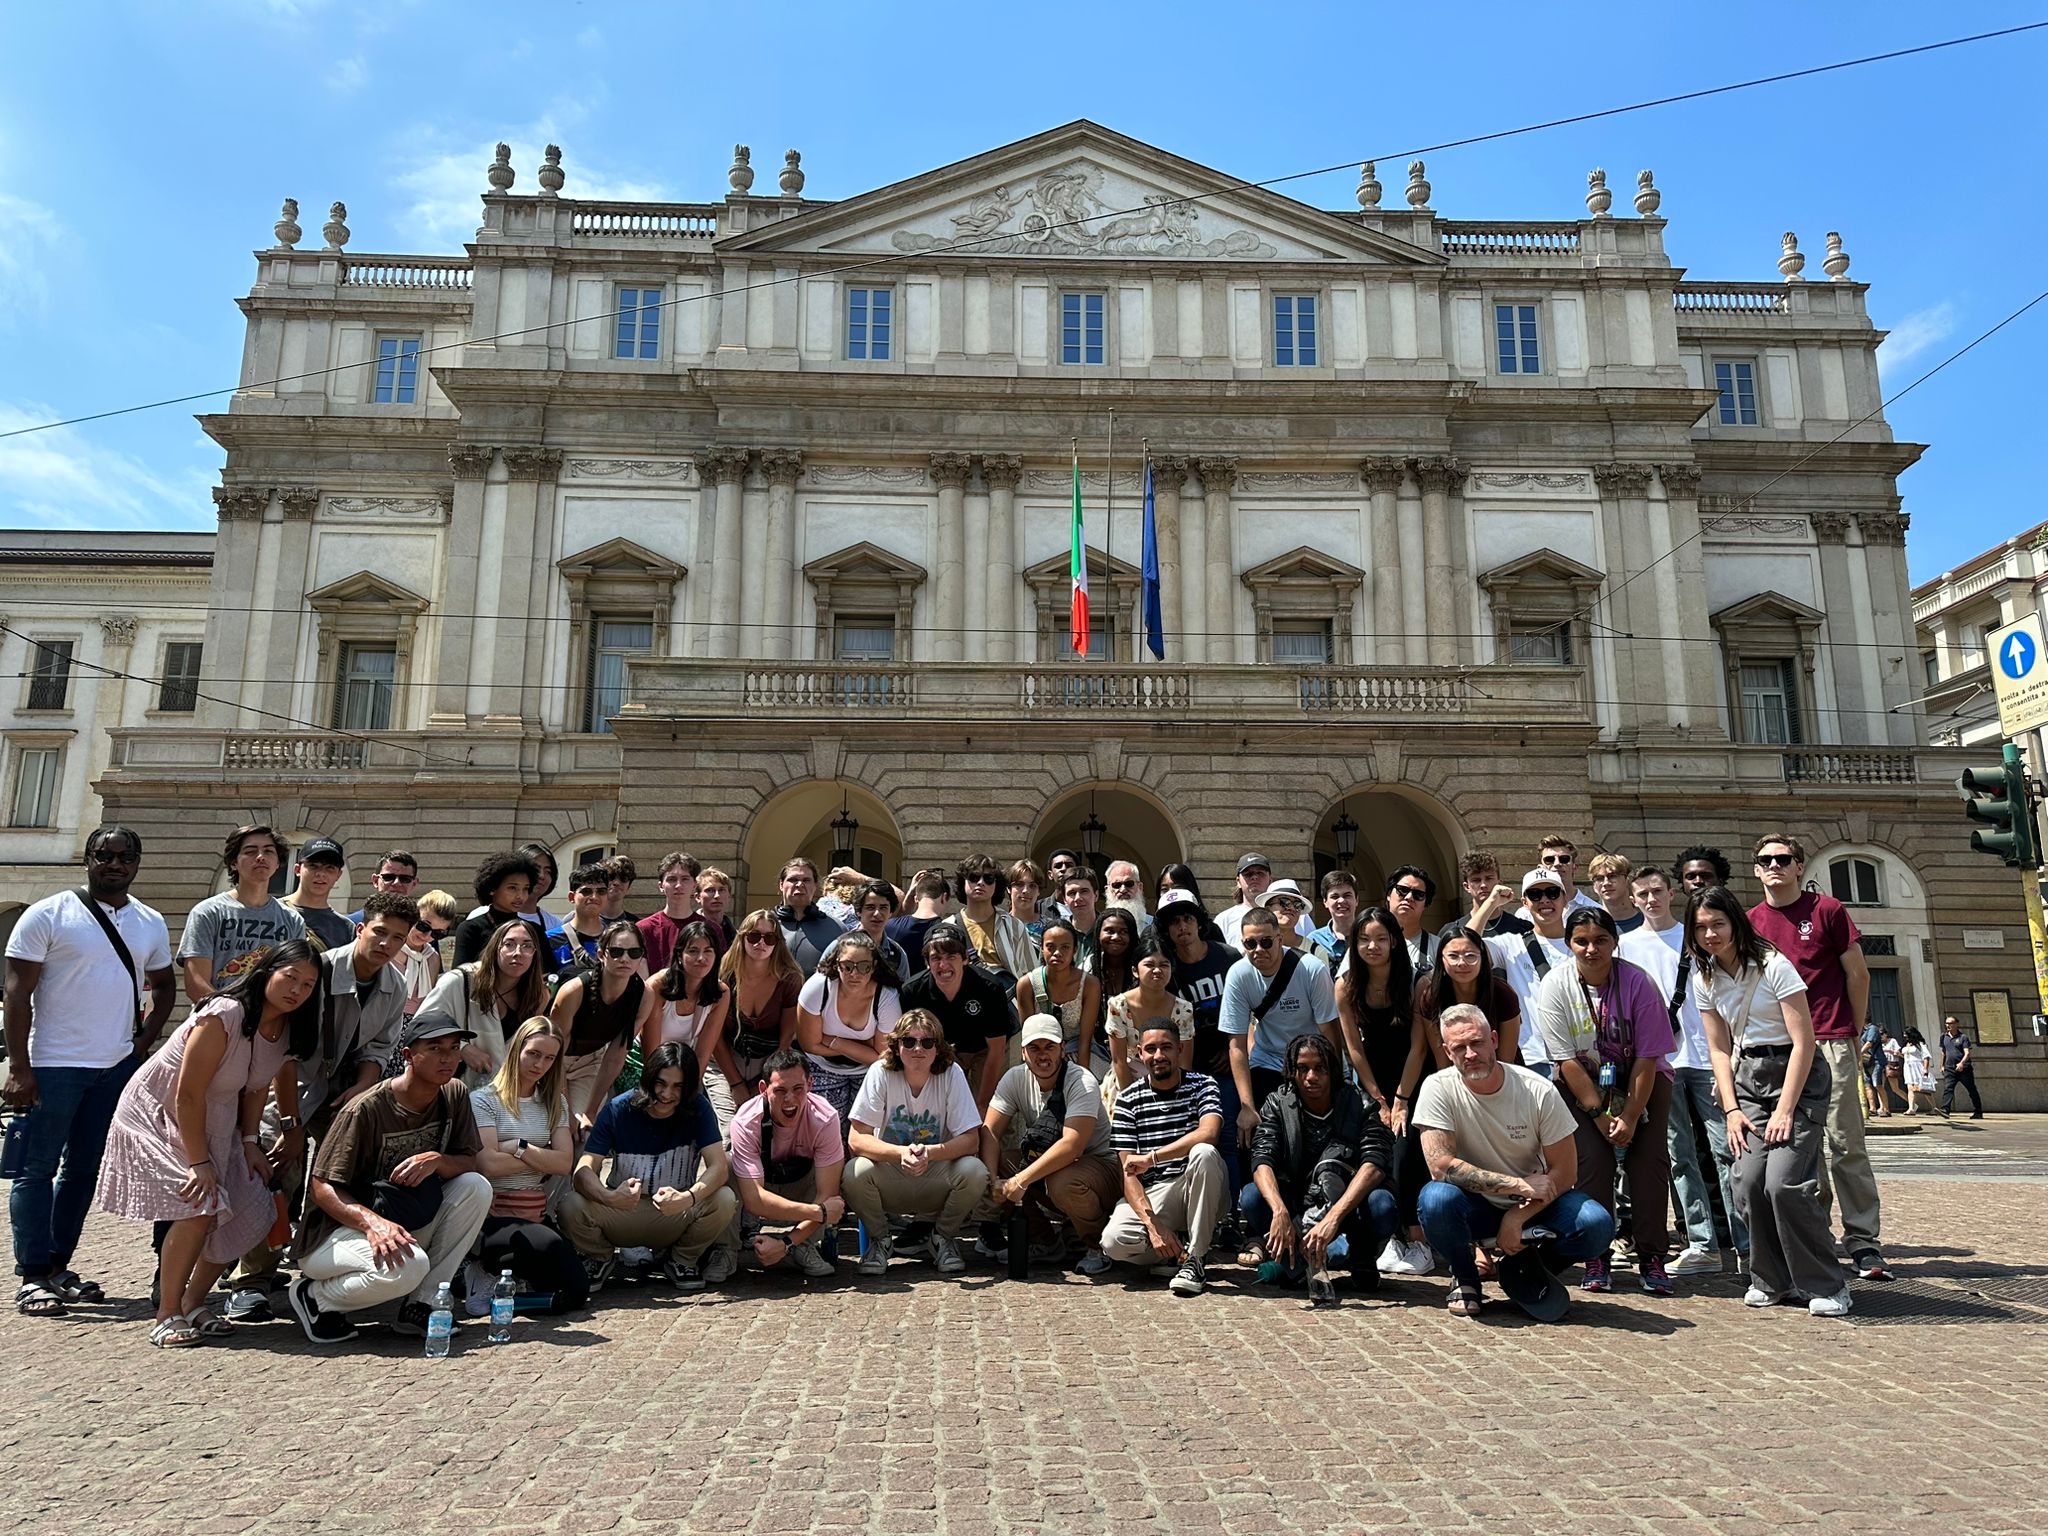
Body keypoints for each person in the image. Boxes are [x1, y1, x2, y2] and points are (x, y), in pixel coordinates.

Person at [95, 942, 321, 1345]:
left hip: (218, 1117)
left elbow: (255, 1089)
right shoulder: (225, 1012)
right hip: (161, 1113)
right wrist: (199, 1163)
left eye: (308, 984)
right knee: (199, 1204)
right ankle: (166, 1315)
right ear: (267, 971)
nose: (297, 990)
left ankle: (193, 1305)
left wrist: (251, 1142)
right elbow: (187, 1094)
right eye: (290, 977)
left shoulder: (285, 1026)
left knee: (251, 1207)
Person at [4, 827, 176, 1318]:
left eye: (125, 856)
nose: (115, 864)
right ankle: (33, 1276)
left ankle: (58, 1266)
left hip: (113, 1068)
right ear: (88, 858)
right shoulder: (48, 914)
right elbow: (16, 994)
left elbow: (164, 985)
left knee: (81, 1172)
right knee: (35, 1171)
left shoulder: (149, 921)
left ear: (138, 862)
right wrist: (20, 1067)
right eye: (105, 855)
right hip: (53, 1065)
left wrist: (143, 1043)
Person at [222, 894, 417, 1319]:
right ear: (360, 928)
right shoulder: (319, 971)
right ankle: (251, 1281)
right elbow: (283, 1055)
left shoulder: (395, 984)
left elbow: (381, 1050)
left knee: (337, 1181)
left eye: (397, 938)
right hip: (288, 1087)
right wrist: (291, 1127)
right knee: (275, 1176)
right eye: (379, 931)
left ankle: (315, 1269)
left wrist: (363, 1088)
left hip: (344, 1095)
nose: (386, 944)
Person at [285, 1006, 494, 1344]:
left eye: (454, 1048)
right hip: (333, 1236)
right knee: (409, 1267)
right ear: (409, 1055)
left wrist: (439, 1161)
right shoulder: (365, 1109)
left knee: (475, 1187)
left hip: (402, 1219)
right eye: (435, 1048)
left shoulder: (454, 1093)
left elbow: (471, 1162)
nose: (448, 1057)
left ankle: (421, 1305)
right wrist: (372, 1224)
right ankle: (315, 1298)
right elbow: (322, 1187)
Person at [1690, 887, 1848, 1316]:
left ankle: (1828, 1284)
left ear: (1735, 923)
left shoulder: (1773, 965)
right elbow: (1718, 1049)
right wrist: (1731, 1109)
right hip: (1747, 1082)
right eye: (1701, 927)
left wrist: (1785, 1110)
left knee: (1785, 1185)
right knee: (1747, 1181)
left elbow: (1804, 1042)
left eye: (1717, 924)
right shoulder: (1704, 976)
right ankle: (1771, 1279)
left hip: (1796, 1078)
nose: (1710, 934)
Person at [1747, 834, 1891, 1281]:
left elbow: (1859, 974)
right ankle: (1816, 1237)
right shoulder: (1749, 922)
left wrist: (1852, 1032)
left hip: (1829, 1038)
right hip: (1780, 1048)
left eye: (1782, 859)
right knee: (1798, 1150)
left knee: (1845, 1143)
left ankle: (1863, 1241)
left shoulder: (1827, 910)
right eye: (1766, 860)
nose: (1774, 866)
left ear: (1798, 866)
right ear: (1756, 869)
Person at [1415, 1007, 1613, 1318]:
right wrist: (1517, 1186)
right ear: (1446, 1051)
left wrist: (1517, 1216)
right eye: (1459, 1047)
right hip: (1478, 1203)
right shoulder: (1437, 1088)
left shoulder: (1538, 1089)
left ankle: (1527, 1268)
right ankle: (1465, 1276)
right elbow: (1441, 1167)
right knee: (1435, 1200)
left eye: (1477, 1043)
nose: (1470, 1054)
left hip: (1536, 1203)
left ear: (1494, 1040)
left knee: (1597, 1225)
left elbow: (1565, 1172)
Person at [1536, 907, 1678, 1295]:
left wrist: (1630, 1116)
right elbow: (1565, 1059)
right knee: (1591, 1164)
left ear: (1615, 942)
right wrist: (1598, 1114)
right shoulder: (1555, 985)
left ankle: (1652, 1255)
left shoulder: (1639, 983)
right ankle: (1596, 1253)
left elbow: (1649, 1056)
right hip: (1580, 1082)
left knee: (1648, 1164)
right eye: (1581, 941)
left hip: (1641, 1079)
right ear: (1569, 944)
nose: (1591, 949)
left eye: (1600, 940)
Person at [1620, 863, 1741, 1277]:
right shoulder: (1625, 945)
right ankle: (1702, 1242)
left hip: (1708, 1059)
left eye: (1657, 891)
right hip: (1661, 1063)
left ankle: (1745, 1242)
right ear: (1633, 900)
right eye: (1643, 894)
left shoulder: (1695, 939)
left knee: (1728, 1152)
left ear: (1671, 894)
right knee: (1679, 1157)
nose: (1651, 900)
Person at [559, 1041, 737, 1291]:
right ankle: (600, 1257)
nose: (666, 1094)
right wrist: (610, 1197)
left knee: (725, 1198)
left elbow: (718, 1167)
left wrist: (688, 1197)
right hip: (621, 1212)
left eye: (678, 1087)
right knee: (570, 1205)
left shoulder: (698, 1108)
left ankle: (682, 1260)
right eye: (660, 1083)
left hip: (675, 1211)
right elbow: (584, 1169)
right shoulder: (618, 1108)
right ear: (648, 1078)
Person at [1245, 1033, 1400, 1298]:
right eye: (1302, 1069)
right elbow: (1262, 1158)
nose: (1311, 1077)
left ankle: (1361, 1256)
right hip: (1298, 1199)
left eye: (1320, 1068)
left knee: (1383, 1204)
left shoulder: (1360, 1104)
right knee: (1252, 1197)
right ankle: (1294, 1255)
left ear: (1333, 1071)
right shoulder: (1277, 1104)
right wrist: (1279, 1210)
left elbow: (1375, 1164)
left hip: (1348, 1203)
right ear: (1291, 1072)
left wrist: (1333, 1218)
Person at [845, 1010, 991, 1275]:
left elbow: (972, 1140)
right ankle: (880, 1240)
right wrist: (900, 1153)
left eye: (927, 1042)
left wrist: (930, 1153)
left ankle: (942, 1237)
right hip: (890, 1173)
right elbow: (856, 1138)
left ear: (938, 1048)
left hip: (935, 1173)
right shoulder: (880, 1071)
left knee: (975, 1170)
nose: (918, 1049)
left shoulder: (951, 1073)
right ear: (897, 1046)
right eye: (909, 1042)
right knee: (855, 1171)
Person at [464, 1017, 588, 1314]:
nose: (539, 1064)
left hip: (533, 1211)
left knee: (576, 1292)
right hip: (492, 1215)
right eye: (533, 1054)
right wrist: (540, 1156)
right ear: (517, 1049)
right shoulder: (483, 1100)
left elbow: (563, 1163)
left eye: (549, 1058)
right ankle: (479, 1270)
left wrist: (518, 1147)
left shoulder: (554, 1102)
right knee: (545, 1245)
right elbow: (489, 1165)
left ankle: (503, 1299)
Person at [1332, 908, 1432, 1276]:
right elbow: (1353, 1048)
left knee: (1405, 1152)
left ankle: (1419, 1241)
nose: (1372, 946)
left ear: (1394, 941)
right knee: (1379, 1154)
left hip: (1416, 1077)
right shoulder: (1345, 985)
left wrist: (1402, 1100)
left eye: (1380, 938)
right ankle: (1392, 1236)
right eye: (1363, 939)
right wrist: (1378, 1100)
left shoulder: (1416, 982)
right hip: (1373, 1082)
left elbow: (1419, 1048)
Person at [981, 1015, 1121, 1275]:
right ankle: (1045, 1242)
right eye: (1034, 1048)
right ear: (1023, 1052)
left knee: (1062, 1180)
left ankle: (1096, 1244)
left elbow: (1072, 1145)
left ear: (1062, 1049)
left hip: (1102, 1168)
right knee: (999, 1164)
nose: (1042, 1056)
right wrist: (992, 1180)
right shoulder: (1014, 1079)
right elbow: (990, 1131)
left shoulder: (1082, 1081)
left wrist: (1020, 1180)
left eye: (1049, 1047)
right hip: (1053, 1164)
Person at [1100, 1021, 1226, 1295]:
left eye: (1166, 1047)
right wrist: (1154, 1227)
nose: (1159, 1056)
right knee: (1114, 1243)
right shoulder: (1128, 1099)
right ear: (1140, 1054)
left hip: (1199, 1184)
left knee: (1204, 1153)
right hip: (1157, 1191)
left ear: (1180, 1049)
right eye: (1151, 1049)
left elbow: (1209, 1132)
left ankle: (1196, 1258)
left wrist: (1152, 1158)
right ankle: (1175, 1250)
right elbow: (1128, 1173)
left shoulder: (1203, 1084)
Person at [1218, 904, 1342, 1145]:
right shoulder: (1238, 974)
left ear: (1279, 938)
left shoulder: (1312, 969)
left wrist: (1335, 1081)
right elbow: (1236, 1045)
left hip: (1311, 1061)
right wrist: (1247, 1105)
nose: (1258, 950)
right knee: (1254, 1128)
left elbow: (1330, 1031)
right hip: (1269, 1060)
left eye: (1265, 942)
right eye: (1250, 944)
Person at [727, 1048, 846, 1278]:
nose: (790, 1100)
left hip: (801, 1186)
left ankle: (803, 1245)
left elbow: (827, 1195)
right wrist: (818, 1213)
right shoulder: (745, 1121)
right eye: (780, 1091)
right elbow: (754, 1199)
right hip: (760, 1188)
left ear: (810, 1084)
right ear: (763, 1090)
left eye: (798, 1089)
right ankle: (726, 1249)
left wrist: (786, 1243)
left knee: (833, 1181)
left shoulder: (826, 1118)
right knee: (726, 1164)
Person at [176, 824, 307, 1003]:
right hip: (214, 1019)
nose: (260, 857)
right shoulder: (207, 912)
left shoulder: (292, 920)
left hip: (267, 1023)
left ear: (278, 863)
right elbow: (196, 984)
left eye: (269, 851)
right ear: (234, 863)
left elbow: (294, 980)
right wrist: (232, 1015)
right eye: (250, 851)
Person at [548, 920, 655, 1134]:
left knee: (583, 1134)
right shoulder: (574, 991)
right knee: (559, 1129)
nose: (625, 959)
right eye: (616, 951)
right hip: (549, 1063)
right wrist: (565, 1112)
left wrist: (591, 1111)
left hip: (590, 1063)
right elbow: (554, 1053)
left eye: (634, 952)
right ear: (600, 954)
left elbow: (616, 1055)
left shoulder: (643, 995)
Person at [1466, 870, 1571, 1078]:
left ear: (1565, 898)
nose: (1544, 900)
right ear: (1524, 902)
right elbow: (1466, 944)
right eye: (1535, 895)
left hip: (1580, 1055)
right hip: (1534, 1058)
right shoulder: (1510, 944)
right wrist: (1491, 903)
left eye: (1552, 893)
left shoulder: (1583, 942)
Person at [420, 914, 548, 1084]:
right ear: (495, 948)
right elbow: (421, 1026)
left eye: (527, 946)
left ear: (534, 953)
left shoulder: (538, 996)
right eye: (509, 944)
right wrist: (462, 1048)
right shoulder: (460, 981)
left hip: (503, 1095)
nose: (518, 953)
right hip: (452, 1090)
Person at [899, 923, 1016, 1106]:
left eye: (951, 957)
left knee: (994, 1109)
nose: (943, 965)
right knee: (944, 1106)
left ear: (964, 959)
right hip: (942, 1049)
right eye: (936, 958)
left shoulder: (989, 988)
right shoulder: (912, 992)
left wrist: (982, 1105)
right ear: (926, 962)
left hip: (986, 1049)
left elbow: (996, 1050)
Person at [797, 931, 903, 1128]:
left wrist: (832, 1040)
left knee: (865, 1126)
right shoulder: (818, 988)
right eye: (847, 966)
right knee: (824, 1124)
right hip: (821, 1064)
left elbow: (883, 1057)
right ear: (837, 965)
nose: (855, 974)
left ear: (874, 967)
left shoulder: (886, 998)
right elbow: (809, 1044)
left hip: (868, 1069)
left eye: (864, 967)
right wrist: (864, 1046)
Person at [646, 919, 738, 1124]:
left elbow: (703, 1053)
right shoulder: (657, 986)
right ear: (679, 955)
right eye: (693, 951)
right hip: (646, 1065)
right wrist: (664, 1089)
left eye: (708, 951)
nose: (701, 958)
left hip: (685, 1067)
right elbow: (650, 1053)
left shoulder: (721, 993)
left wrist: (686, 1091)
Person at [718, 910, 804, 1100]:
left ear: (778, 943)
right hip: (726, 1061)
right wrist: (737, 1084)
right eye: (754, 936)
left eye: (769, 938)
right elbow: (716, 1037)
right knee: (727, 1128)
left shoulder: (789, 980)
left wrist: (765, 1081)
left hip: (771, 1061)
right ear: (742, 938)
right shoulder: (725, 977)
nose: (761, 943)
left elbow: (786, 1039)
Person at [1415, 930, 1521, 1069]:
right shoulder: (1432, 997)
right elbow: (1443, 1061)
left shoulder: (1502, 993)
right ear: (1441, 959)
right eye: (1453, 956)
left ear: (1482, 958)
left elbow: (1506, 1060)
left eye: (1470, 956)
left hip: (1501, 1072)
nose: (1462, 963)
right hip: (1456, 1074)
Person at [1106, 931, 1194, 1088]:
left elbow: (1184, 1063)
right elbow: (1119, 1060)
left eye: (1164, 965)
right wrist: (1132, 1102)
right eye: (1149, 965)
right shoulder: (1118, 1006)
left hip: (1171, 1082)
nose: (1157, 970)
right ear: (1135, 971)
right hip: (1126, 1082)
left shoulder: (1183, 1009)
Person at [1016, 920, 1103, 1071]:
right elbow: (1028, 1037)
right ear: (1042, 949)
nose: (1057, 953)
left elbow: (1085, 1040)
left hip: (1079, 1054)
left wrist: (1082, 1077)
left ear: (1075, 949)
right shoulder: (1026, 985)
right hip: (1040, 1056)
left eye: (1065, 947)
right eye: (1050, 947)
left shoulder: (1090, 984)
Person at [451, 851, 542, 968]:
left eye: (525, 889)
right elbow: (460, 976)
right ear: (492, 888)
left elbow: (548, 973)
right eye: (512, 888)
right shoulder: (470, 929)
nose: (520, 895)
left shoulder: (534, 930)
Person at [955, 854, 1036, 984]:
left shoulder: (1013, 926)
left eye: (988, 878)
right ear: (963, 882)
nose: (981, 883)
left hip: (1007, 1001)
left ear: (996, 884)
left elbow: (1032, 975)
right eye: (974, 877)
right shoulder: (949, 927)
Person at [1216, 853, 1309, 950]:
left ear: (1270, 879)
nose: (1255, 877)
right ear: (1238, 881)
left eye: (1260, 873)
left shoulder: (1300, 916)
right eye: (1248, 874)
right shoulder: (1224, 920)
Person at [280, 837, 355, 954]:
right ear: (297, 869)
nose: (321, 874)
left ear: (338, 875)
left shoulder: (347, 928)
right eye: (313, 866)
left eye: (330, 868)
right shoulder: (273, 911)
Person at [1439, 852, 1530, 943]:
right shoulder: (1451, 930)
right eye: (1476, 880)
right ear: (1467, 887)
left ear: (1499, 883)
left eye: (1489, 878)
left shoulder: (1521, 928)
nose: (1483, 885)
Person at [636, 852, 703, 976]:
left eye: (685, 879)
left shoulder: (710, 929)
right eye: (671, 879)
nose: (678, 885)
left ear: (694, 885)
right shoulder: (643, 929)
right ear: (661, 886)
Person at [776, 859, 844, 978]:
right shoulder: (763, 925)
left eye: (806, 880)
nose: (799, 885)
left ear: (815, 885)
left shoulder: (838, 929)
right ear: (781, 885)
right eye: (793, 880)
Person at [884, 873, 954, 979]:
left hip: (896, 993)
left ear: (916, 898)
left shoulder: (889, 926)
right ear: (944, 898)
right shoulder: (948, 932)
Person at [400, 892, 456, 1018]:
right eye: (423, 926)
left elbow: (429, 999)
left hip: (417, 1022)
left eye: (437, 934)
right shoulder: (392, 947)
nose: (427, 936)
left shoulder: (432, 957)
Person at [553, 864, 611, 972]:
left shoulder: (616, 938)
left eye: (601, 891)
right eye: (586, 891)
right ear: (571, 897)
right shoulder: (550, 939)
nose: (594, 897)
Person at [1383, 866, 1442, 971]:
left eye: (1418, 894)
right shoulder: (1366, 943)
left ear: (1425, 904)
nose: (1409, 897)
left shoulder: (1438, 947)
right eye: (1403, 890)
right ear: (1388, 894)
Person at [347, 850, 420, 922]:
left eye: (405, 879)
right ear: (375, 881)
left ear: (414, 884)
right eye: (388, 877)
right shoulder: (350, 925)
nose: (396, 883)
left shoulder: (422, 927)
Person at [1306, 870, 1358, 968]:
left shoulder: (1369, 936)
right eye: (1335, 896)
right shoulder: (1314, 941)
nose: (1341, 900)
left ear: (1357, 900)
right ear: (1325, 902)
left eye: (1347, 895)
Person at [1536, 835, 1600, 913]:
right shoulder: (1526, 915)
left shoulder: (1596, 911)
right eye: (1549, 860)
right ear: (1540, 868)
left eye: (1564, 859)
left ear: (1575, 867)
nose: (1557, 863)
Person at [1938, 1014, 1984, 1118]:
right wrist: (1942, 1065)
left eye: (1951, 1023)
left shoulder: (1963, 1037)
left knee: (1971, 1089)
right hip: (1950, 1068)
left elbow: (1967, 1053)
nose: (1948, 1025)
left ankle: (1978, 1111)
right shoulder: (1943, 1037)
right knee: (1948, 1088)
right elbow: (1943, 1052)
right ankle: (1945, 1109)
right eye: (1947, 1023)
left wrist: (1962, 1063)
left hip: (1964, 1068)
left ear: (1956, 1024)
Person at [1587, 853, 1642, 935]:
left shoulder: (1649, 923)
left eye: (1612, 876)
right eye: (1599, 878)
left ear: (1627, 880)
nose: (1606, 883)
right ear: (1594, 886)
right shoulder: (1587, 926)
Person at [1061, 869, 1104, 967]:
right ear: (1064, 900)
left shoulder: (1109, 932)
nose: (1078, 898)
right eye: (1072, 893)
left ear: (1096, 895)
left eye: (1084, 891)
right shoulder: (1058, 935)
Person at [1005, 859, 1050, 951]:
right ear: (1009, 889)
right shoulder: (999, 925)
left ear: (1038, 891)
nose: (1026, 890)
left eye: (1032, 885)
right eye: (1019, 884)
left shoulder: (1050, 927)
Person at [694, 866, 737, 954]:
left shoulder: (736, 936)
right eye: (710, 890)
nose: (717, 896)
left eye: (721, 890)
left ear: (729, 896)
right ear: (698, 897)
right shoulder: (688, 929)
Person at [1103, 860, 1151, 933]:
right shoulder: (1101, 927)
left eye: (1129, 883)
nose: (1123, 890)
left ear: (1140, 887)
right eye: (1116, 885)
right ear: (1107, 890)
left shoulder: (1153, 925)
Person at [1902, 1027, 1937, 1115]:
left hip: (1917, 1067)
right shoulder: (1907, 1044)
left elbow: (1926, 1057)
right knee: (1910, 1088)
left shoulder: (1920, 1044)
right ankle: (1911, 1108)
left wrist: (1925, 1069)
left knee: (1923, 1089)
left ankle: (1934, 1107)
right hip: (1908, 1067)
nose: (1904, 1036)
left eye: (1906, 1034)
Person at [1040, 850, 1081, 921]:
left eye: (1069, 865)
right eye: (1058, 866)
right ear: (1050, 875)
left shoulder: (1085, 906)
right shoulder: (1038, 908)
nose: (1064, 869)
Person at [600, 854, 639, 925]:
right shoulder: (583, 920)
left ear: (629, 886)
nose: (616, 883)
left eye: (623, 878)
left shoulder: (637, 925)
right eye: (611, 877)